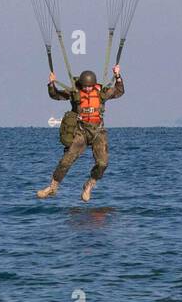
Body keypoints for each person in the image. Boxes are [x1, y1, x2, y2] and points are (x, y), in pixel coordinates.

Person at [36, 62, 124, 202]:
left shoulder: (101, 92)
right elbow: (56, 95)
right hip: (81, 131)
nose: (88, 89)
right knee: (67, 160)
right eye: (85, 86)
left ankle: (89, 185)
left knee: (102, 163)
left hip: (97, 132)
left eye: (90, 86)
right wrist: (51, 84)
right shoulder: (75, 93)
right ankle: (52, 187)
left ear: (94, 84)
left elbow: (119, 91)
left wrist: (117, 76)